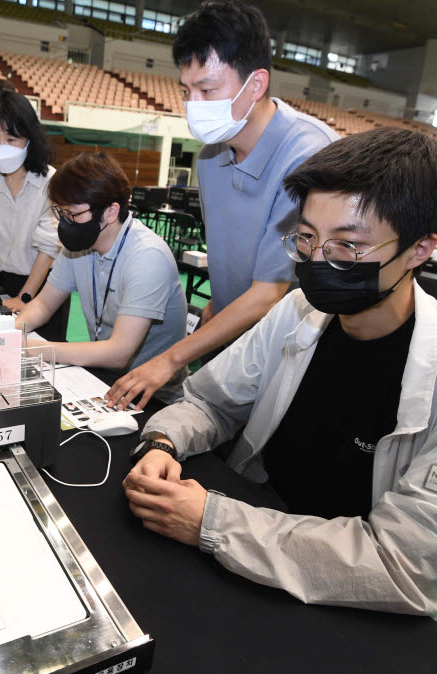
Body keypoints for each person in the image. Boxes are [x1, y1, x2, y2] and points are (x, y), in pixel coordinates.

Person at [123, 127, 437, 639]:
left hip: (363, 610)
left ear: (420, 250)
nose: (316, 261)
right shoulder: (298, 312)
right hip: (261, 540)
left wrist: (214, 522)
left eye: (348, 246)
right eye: (307, 238)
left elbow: (412, 567)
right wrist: (164, 440)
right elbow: (212, 403)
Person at [105, 0, 337, 410]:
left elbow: (270, 293)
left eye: (207, 90)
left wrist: (172, 357)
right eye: (186, 91)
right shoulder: (211, 157)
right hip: (236, 335)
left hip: (295, 350)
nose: (194, 104)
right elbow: (233, 255)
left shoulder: (307, 156)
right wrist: (220, 303)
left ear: (256, 84)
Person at [16, 153, 188, 401]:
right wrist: (11, 333)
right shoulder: (82, 244)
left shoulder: (148, 257)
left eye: (72, 214)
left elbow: (119, 352)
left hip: (151, 398)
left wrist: (30, 349)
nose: (65, 223)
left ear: (110, 212)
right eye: (60, 212)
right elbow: (43, 304)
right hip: (103, 378)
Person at [0, 89, 68, 341]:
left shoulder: (50, 182)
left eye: (12, 139)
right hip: (4, 281)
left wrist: (25, 297)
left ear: (29, 139)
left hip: (44, 288)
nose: (1, 147)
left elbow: (47, 248)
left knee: (39, 359)